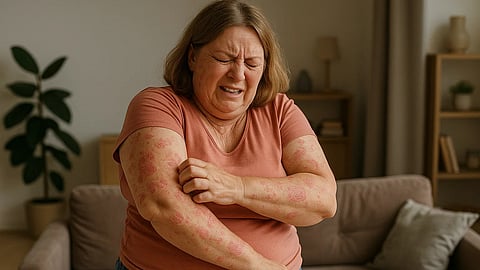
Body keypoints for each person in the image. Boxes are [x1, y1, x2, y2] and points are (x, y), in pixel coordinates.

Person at [113, 0, 337, 269]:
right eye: (224, 59)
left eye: (252, 64)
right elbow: (163, 207)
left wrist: (236, 187)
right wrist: (259, 266)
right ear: (193, 57)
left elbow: (323, 199)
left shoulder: (280, 110)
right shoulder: (157, 105)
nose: (238, 74)